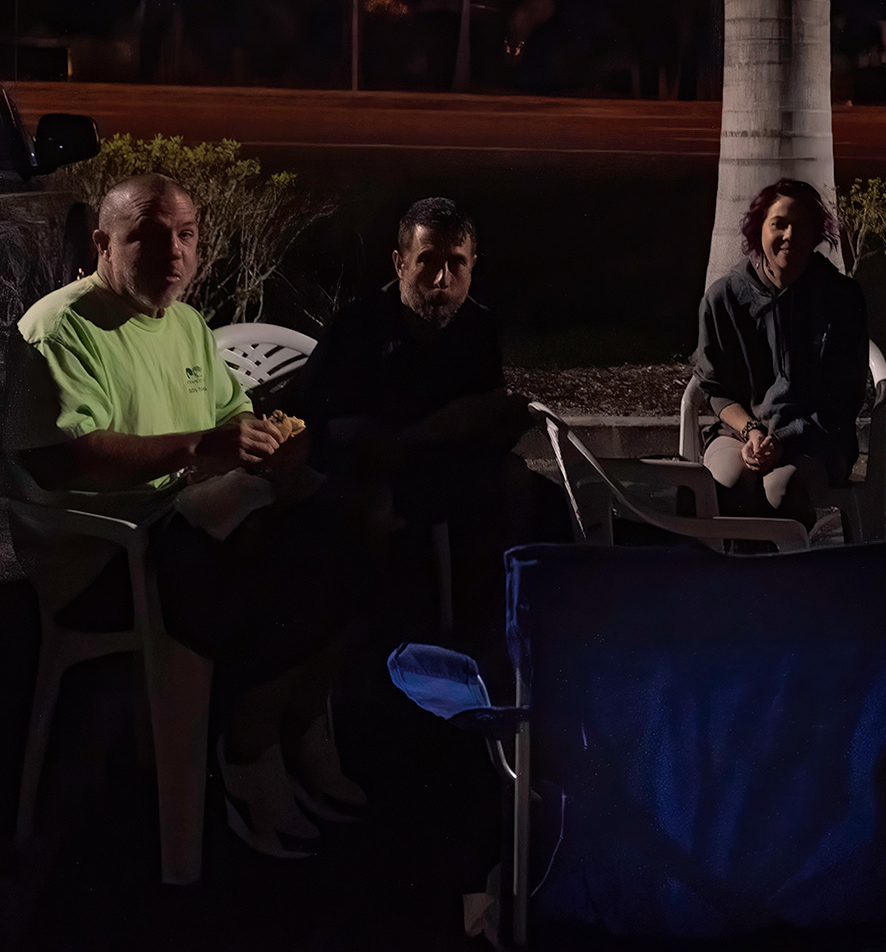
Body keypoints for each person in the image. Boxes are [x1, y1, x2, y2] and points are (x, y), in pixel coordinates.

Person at [3, 174, 386, 859]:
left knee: (350, 521)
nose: (173, 252)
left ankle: (281, 725)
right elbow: (59, 460)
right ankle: (249, 745)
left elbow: (230, 415)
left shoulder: (184, 323)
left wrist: (272, 445)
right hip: (103, 559)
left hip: (184, 533)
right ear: (102, 243)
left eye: (185, 235)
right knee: (283, 549)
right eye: (148, 235)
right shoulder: (57, 328)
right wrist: (199, 448)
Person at [301, 197, 569, 630]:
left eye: (457, 263)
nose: (442, 279)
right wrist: (432, 429)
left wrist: (501, 420)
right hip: (369, 467)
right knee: (376, 511)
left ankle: (511, 629)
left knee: (533, 491)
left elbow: (480, 418)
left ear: (473, 264)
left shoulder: (477, 326)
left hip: (444, 461)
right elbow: (331, 428)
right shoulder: (360, 326)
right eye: (427, 262)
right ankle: (383, 643)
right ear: (400, 263)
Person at [691, 179, 868, 531]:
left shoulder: (841, 297)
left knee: (780, 491)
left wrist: (784, 440)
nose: (789, 235)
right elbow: (717, 388)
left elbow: (844, 396)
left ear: (817, 235)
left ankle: (785, 578)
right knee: (722, 484)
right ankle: (733, 576)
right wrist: (753, 432)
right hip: (740, 433)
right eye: (779, 224)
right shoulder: (724, 297)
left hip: (818, 439)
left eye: (802, 226)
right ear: (759, 228)